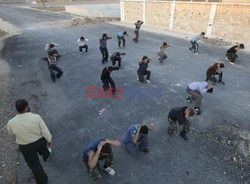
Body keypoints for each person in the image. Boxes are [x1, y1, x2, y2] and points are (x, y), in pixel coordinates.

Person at [7, 99, 52, 184]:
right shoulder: (36, 117)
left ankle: (43, 181)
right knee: (43, 148)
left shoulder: (11, 122)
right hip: (39, 141)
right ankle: (46, 155)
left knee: (35, 165)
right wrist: (49, 139)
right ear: (25, 108)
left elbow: (10, 133)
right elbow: (44, 130)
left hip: (25, 146)